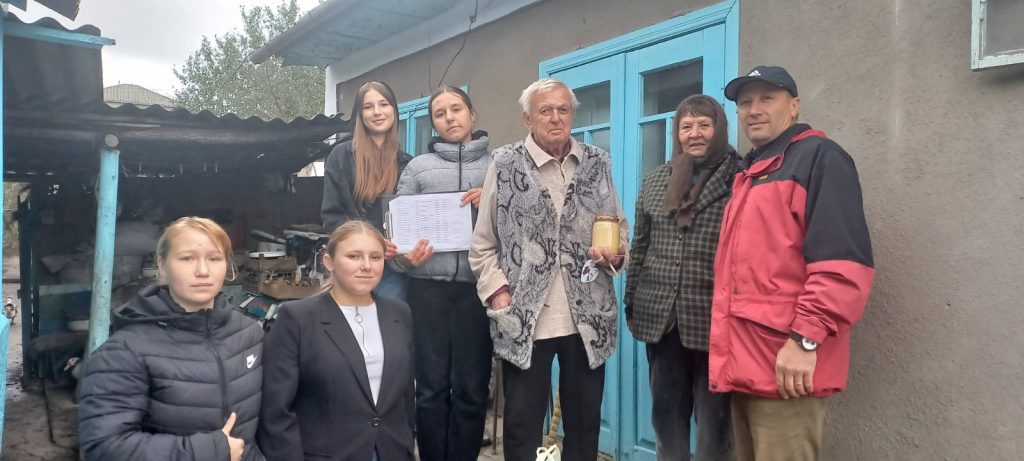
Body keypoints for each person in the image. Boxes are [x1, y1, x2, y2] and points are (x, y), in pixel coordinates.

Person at [710, 66, 875, 460]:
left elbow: (842, 265)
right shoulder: (753, 170)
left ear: (794, 106)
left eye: (767, 98)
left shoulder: (820, 159)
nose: (753, 109)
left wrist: (805, 340)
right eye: (745, 102)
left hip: (787, 364)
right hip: (747, 362)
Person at [469, 77, 628, 461]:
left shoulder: (596, 162)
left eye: (563, 109)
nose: (555, 117)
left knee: (585, 424)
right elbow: (483, 245)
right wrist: (499, 292)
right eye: (545, 110)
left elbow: (618, 226)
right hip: (525, 317)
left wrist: (617, 253)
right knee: (522, 426)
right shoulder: (504, 165)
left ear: (573, 114)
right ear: (528, 118)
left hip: (587, 317)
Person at [78, 217, 264, 461]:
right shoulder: (125, 350)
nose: (203, 271)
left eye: (215, 259)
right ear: (162, 265)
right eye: (187, 258)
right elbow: (104, 446)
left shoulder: (249, 334)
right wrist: (211, 451)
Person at [624, 94, 739, 461]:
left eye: (704, 125)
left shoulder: (741, 179)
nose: (695, 134)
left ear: (719, 128)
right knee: (666, 421)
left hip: (717, 323)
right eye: (686, 126)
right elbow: (640, 245)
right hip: (663, 320)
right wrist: (632, 300)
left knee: (715, 427)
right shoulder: (658, 180)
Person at [391, 86, 493, 461]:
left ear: (472, 114)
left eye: (456, 109)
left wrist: (492, 199)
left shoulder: (499, 166)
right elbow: (397, 235)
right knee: (431, 388)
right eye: (440, 113)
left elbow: (520, 226)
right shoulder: (417, 168)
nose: (450, 117)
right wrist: (406, 259)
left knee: (471, 388)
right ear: (432, 122)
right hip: (426, 291)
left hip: (477, 291)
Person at [258, 220, 415, 461]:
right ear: (329, 262)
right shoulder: (298, 318)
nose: (366, 266)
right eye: (354, 256)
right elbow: (275, 409)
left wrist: (406, 443)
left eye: (375, 257)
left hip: (390, 450)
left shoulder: (399, 313)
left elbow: (404, 395)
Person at [321, 81, 413, 300]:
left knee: (388, 330)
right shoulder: (341, 156)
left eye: (384, 104)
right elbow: (331, 216)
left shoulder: (407, 162)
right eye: (368, 106)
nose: (377, 112)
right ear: (359, 114)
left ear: (394, 110)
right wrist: (372, 240)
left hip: (392, 270)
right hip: (352, 265)